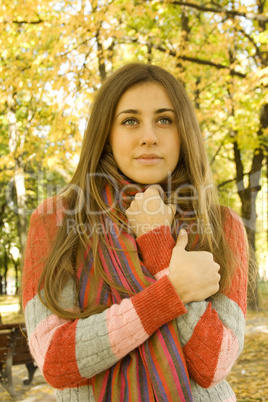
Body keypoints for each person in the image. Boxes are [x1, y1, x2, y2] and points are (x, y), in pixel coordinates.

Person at [22, 63, 248, 401]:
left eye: (164, 120)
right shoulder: (55, 221)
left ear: (183, 131)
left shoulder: (221, 224)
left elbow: (214, 363)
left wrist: (158, 246)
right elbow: (56, 360)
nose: (149, 136)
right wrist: (169, 293)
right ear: (107, 134)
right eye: (130, 120)